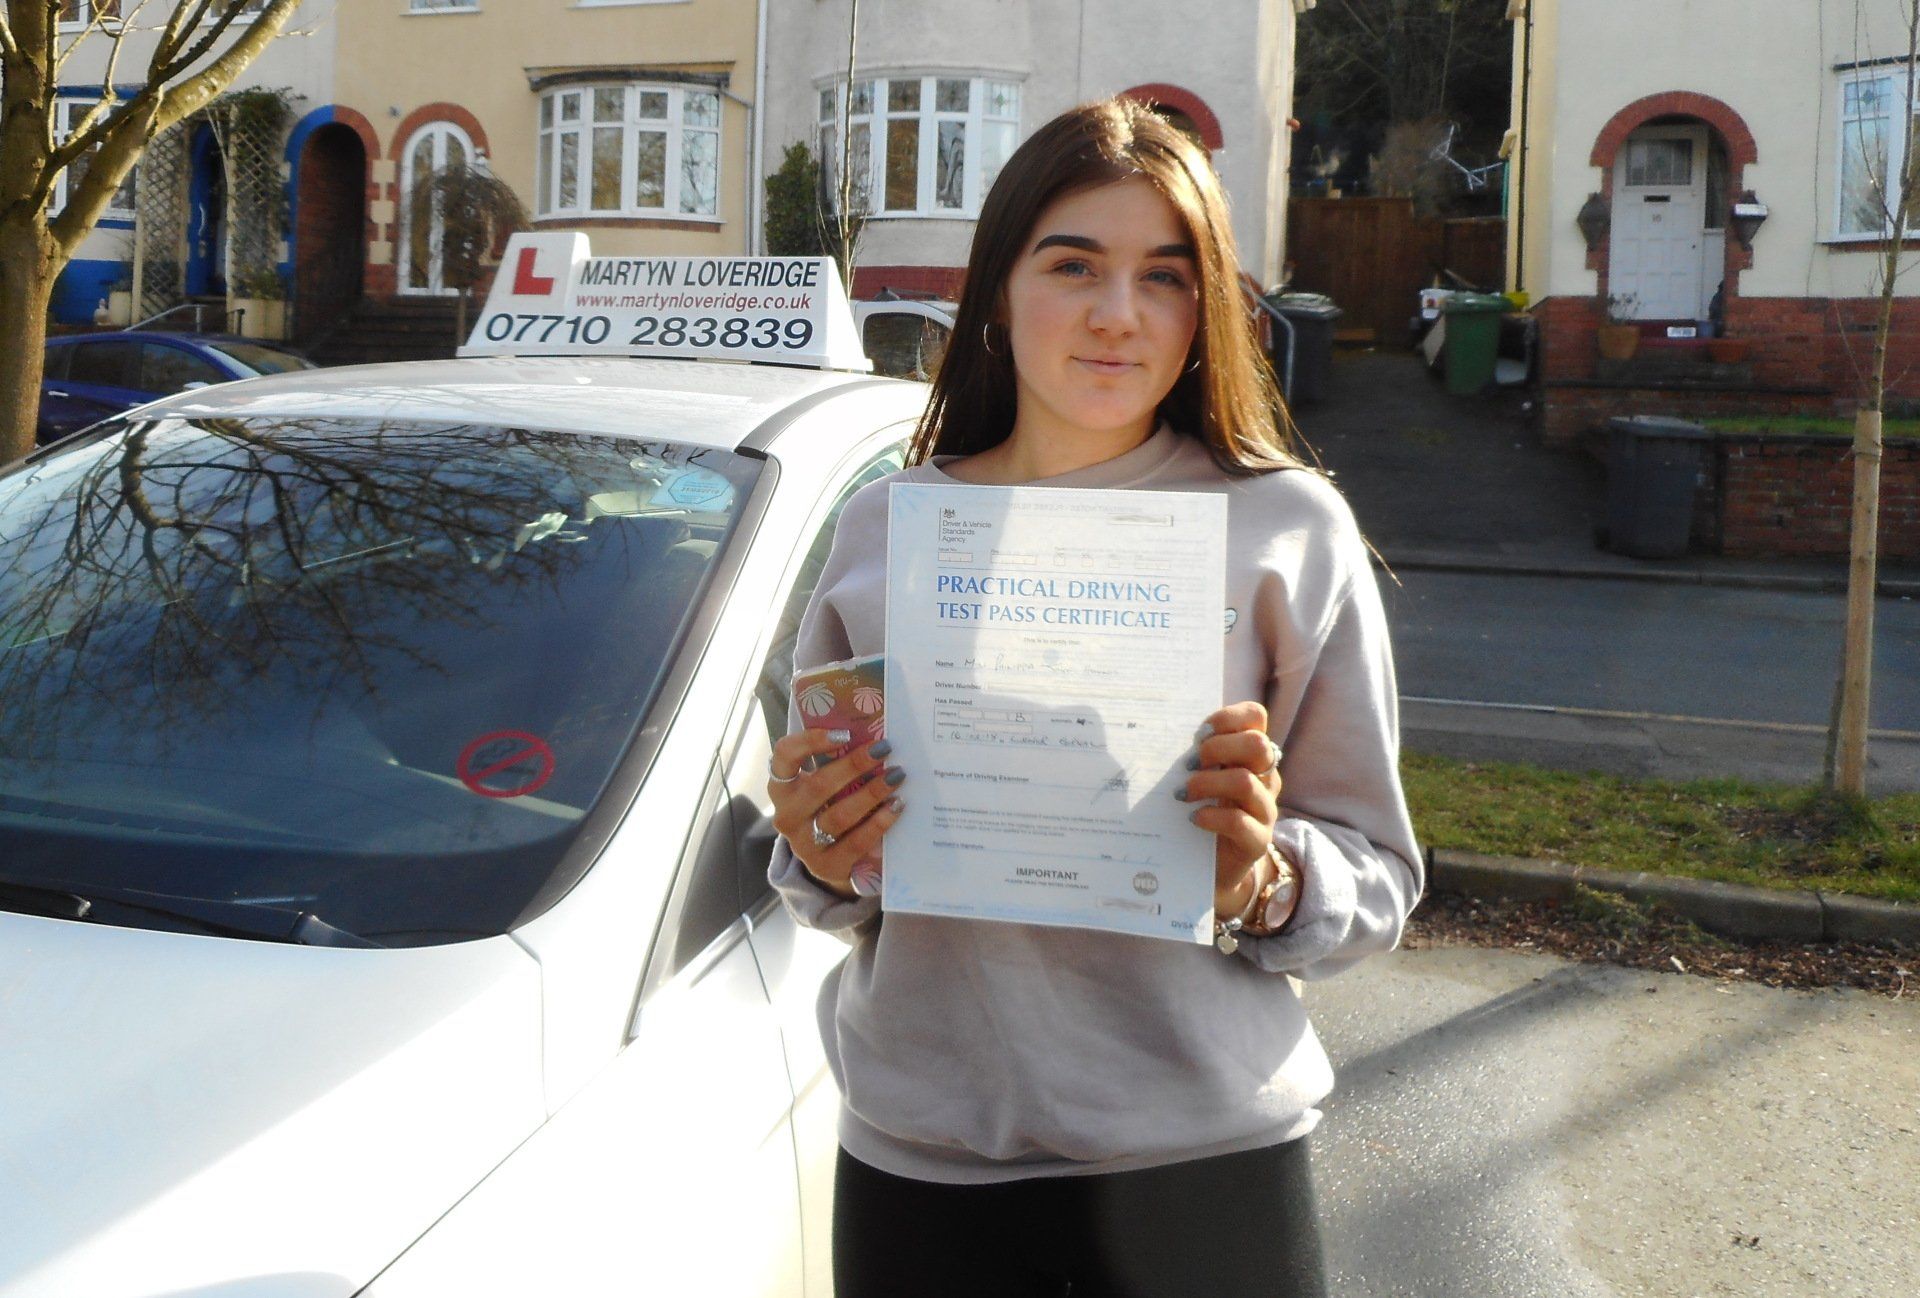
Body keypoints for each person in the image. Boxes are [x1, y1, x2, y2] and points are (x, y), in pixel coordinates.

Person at [765, 98, 1422, 1298]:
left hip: (1204, 1168)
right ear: (999, 290)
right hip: (923, 1161)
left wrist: (1261, 878)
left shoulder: (1284, 527)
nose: (1119, 314)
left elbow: (1380, 873)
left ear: (1205, 309)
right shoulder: (890, 528)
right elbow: (833, 876)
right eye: (1074, 265)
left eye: (1165, 278)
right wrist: (821, 845)